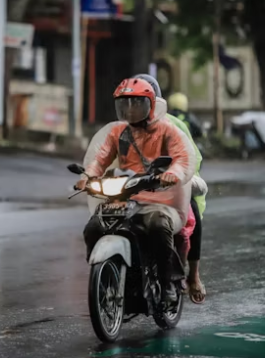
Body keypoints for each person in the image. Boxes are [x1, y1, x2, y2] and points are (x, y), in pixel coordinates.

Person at [77, 78, 197, 303]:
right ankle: (103, 275)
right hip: (125, 195)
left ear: (150, 105)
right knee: (93, 227)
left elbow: (182, 157)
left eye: (137, 104)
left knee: (160, 226)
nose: (130, 110)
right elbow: (101, 157)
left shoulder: (167, 131)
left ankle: (167, 282)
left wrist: (174, 173)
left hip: (160, 199)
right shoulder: (117, 133)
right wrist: (88, 176)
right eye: (125, 105)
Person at [138, 78, 208, 304]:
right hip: (132, 190)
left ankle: (193, 276)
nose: (135, 107)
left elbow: (193, 159)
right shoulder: (121, 129)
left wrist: (178, 175)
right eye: (130, 102)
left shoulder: (175, 125)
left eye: (141, 101)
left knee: (193, 213)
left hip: (170, 188)